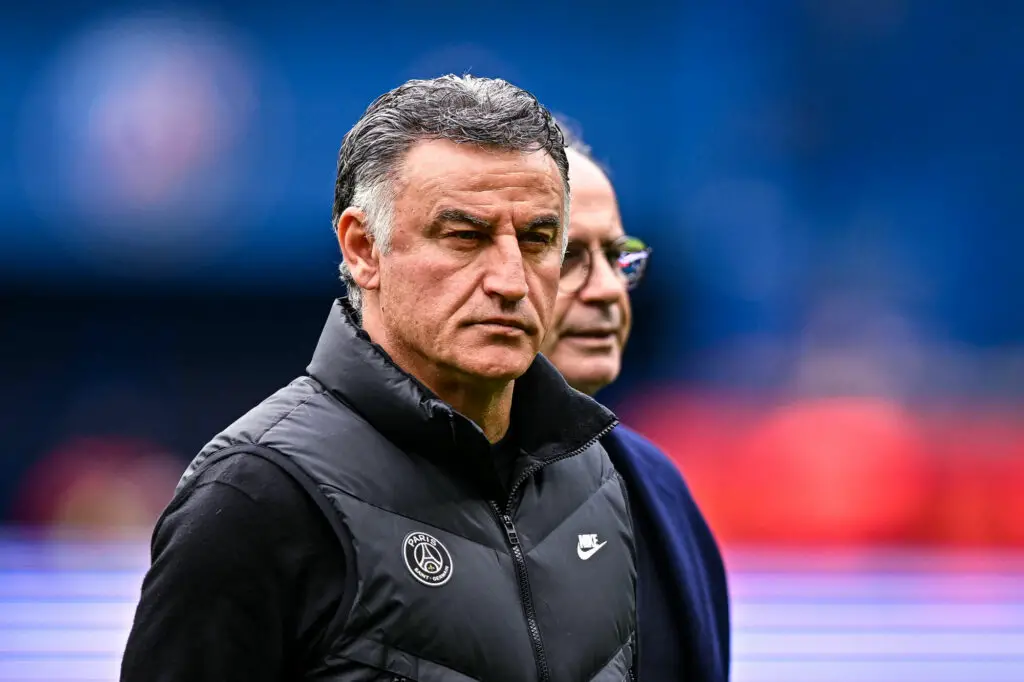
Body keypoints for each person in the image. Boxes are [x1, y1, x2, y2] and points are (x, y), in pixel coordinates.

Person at [120, 75, 637, 682]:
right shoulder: (256, 494)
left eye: (538, 240)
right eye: (465, 237)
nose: (511, 281)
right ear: (363, 248)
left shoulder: (595, 479)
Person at [541, 125, 731, 681]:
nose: (607, 290)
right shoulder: (342, 479)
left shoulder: (656, 490)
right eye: (569, 256)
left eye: (617, 257)